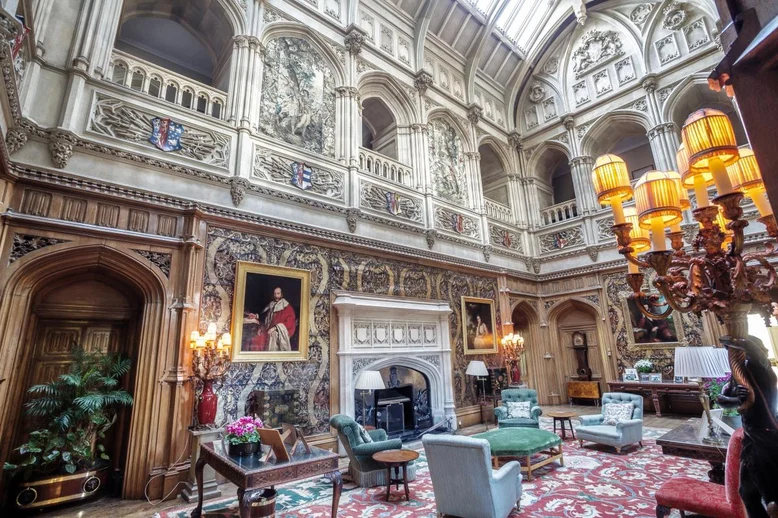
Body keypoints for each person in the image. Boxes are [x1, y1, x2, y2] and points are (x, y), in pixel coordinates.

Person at [244, 287, 297, 352]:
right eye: (275, 294)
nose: (276, 296)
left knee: (273, 337)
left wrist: (275, 328)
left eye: (278, 293)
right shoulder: (271, 304)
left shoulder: (287, 307)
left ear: (282, 294)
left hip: (278, 332)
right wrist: (256, 316)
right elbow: (265, 316)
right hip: (267, 330)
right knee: (255, 340)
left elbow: (290, 323)